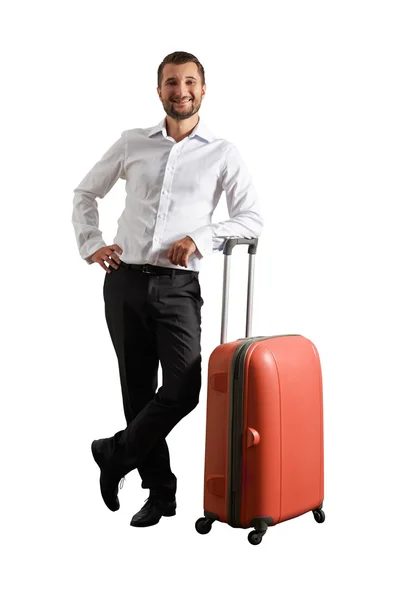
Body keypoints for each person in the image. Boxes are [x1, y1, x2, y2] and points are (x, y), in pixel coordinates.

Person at [71, 50, 264, 528]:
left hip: (179, 288)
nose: (181, 91)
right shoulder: (132, 142)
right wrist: (92, 244)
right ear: (159, 91)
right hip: (124, 282)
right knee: (138, 392)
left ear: (204, 89)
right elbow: (85, 193)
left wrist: (201, 237)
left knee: (183, 389)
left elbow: (252, 218)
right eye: (172, 83)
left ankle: (113, 453)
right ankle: (161, 495)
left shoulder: (222, 153)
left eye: (190, 82)